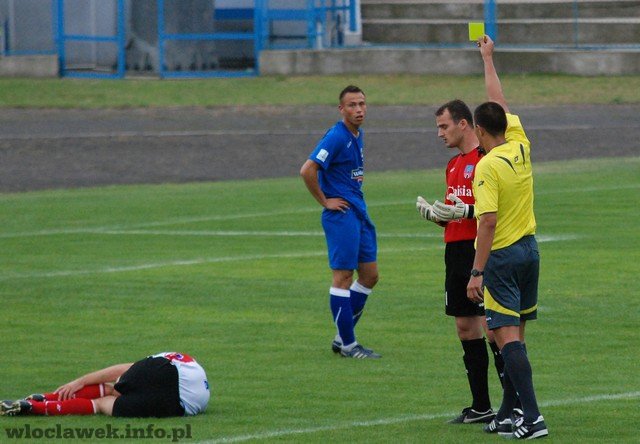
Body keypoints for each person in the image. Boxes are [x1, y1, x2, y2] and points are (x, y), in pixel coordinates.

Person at [465, 36, 548, 439]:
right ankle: (509, 412)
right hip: (530, 251)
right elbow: (499, 101)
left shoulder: (487, 167)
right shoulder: (520, 145)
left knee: (505, 338)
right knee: (513, 338)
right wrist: (488, 58)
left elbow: (488, 222)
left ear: (479, 130)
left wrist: (476, 272)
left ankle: (532, 418)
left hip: (501, 257)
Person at [416, 99, 508, 424]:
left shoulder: (485, 159)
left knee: (493, 329)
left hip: (478, 251)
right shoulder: (453, 164)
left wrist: (465, 212)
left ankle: (512, 407)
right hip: (454, 252)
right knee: (465, 328)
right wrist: (438, 216)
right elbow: (457, 211)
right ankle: (481, 407)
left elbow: (492, 212)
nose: (440, 133)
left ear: (464, 124)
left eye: (444, 126)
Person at [300, 85, 381, 359]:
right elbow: (307, 170)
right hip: (342, 215)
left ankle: (341, 337)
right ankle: (348, 344)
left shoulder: (357, 134)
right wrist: (325, 201)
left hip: (358, 211)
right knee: (343, 277)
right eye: (352, 105)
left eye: (362, 104)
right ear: (341, 109)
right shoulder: (336, 136)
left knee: (370, 275)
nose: (359, 109)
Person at [1, 352, 209, 417]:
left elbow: (122, 369)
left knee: (113, 389)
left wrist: (80, 381)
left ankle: (45, 398)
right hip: (183, 404)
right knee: (101, 404)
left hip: (172, 371)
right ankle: (34, 407)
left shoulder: (166, 362)